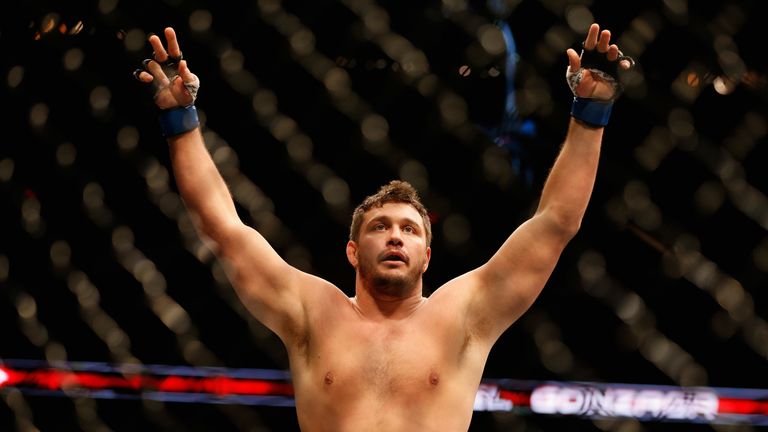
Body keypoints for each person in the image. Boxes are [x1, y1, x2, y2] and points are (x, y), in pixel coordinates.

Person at [134, 22, 632, 431]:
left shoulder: (465, 315)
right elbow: (223, 228)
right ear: (352, 251)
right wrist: (181, 120)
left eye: (411, 230)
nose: (396, 235)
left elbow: (555, 223)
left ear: (427, 257)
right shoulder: (312, 312)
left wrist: (592, 113)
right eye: (381, 227)